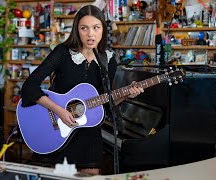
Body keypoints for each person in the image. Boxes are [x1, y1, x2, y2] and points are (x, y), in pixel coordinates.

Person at [20, 5, 143, 175]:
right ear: (77, 30)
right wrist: (60, 111)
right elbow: (29, 86)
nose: (90, 34)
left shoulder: (108, 61)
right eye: (84, 28)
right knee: (61, 177)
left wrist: (126, 94)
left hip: (88, 132)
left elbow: (104, 103)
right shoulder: (63, 53)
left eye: (96, 28)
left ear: (102, 30)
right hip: (57, 127)